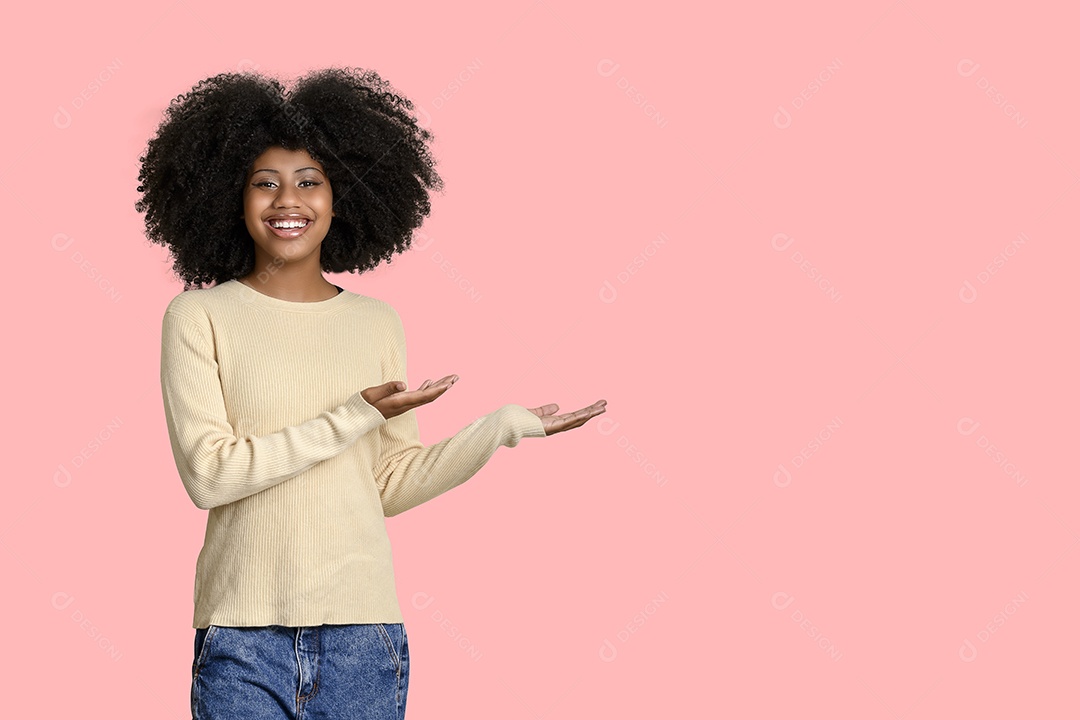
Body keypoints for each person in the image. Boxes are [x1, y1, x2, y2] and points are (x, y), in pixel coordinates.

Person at [135, 67, 606, 720]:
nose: (287, 200)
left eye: (309, 181)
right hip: (241, 636)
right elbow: (210, 475)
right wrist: (351, 417)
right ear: (230, 197)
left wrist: (497, 428)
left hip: (363, 636)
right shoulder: (198, 316)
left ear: (342, 196)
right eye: (264, 183)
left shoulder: (376, 322)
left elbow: (387, 483)